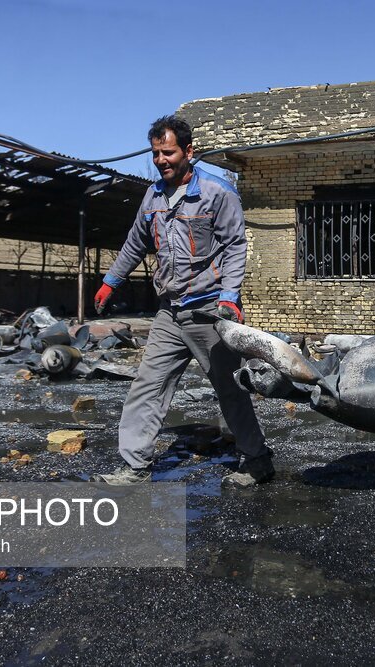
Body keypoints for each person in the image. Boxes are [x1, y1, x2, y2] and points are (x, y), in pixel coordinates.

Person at [90, 115, 273, 486]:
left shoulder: (217, 193)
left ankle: (257, 461)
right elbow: (135, 242)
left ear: (189, 151)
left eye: (168, 152)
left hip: (210, 312)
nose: (161, 160)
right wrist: (111, 280)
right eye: (156, 153)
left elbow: (235, 247)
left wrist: (230, 297)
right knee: (148, 384)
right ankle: (135, 466)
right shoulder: (153, 196)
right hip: (170, 313)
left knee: (230, 388)